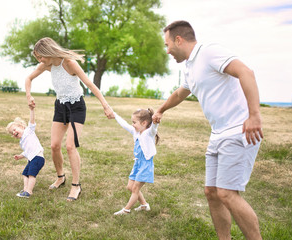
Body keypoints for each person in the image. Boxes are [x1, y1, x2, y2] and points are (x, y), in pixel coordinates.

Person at [152, 20, 263, 239]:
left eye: (168, 45)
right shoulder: (190, 67)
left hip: (238, 130)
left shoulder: (210, 52)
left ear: (179, 39)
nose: (167, 51)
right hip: (217, 134)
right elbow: (180, 93)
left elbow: (246, 72)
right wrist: (161, 110)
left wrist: (254, 115)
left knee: (227, 193)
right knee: (211, 193)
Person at [25, 37, 114, 201]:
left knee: (70, 146)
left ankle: (76, 185)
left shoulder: (69, 63)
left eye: (41, 56)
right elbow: (28, 79)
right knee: (54, 146)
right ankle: (61, 177)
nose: (40, 60)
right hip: (60, 106)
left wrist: (105, 105)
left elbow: (90, 85)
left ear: (48, 52)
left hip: (76, 107)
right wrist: (29, 95)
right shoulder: (47, 65)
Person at [113, 108, 159, 215]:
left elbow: (154, 129)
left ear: (144, 123)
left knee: (135, 188)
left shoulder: (149, 133)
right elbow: (124, 125)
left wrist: (155, 123)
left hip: (145, 165)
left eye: (134, 122)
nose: (132, 125)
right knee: (130, 187)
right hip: (137, 164)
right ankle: (144, 205)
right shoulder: (136, 132)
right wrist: (114, 114)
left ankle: (126, 210)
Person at [6, 105, 45, 198]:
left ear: (21, 126)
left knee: (31, 174)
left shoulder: (29, 131)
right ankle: (25, 189)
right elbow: (26, 152)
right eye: (12, 133)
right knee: (25, 174)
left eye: (14, 130)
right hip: (32, 159)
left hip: (38, 157)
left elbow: (32, 121)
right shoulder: (22, 142)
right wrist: (20, 156)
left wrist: (32, 110)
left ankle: (29, 191)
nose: (14, 133)